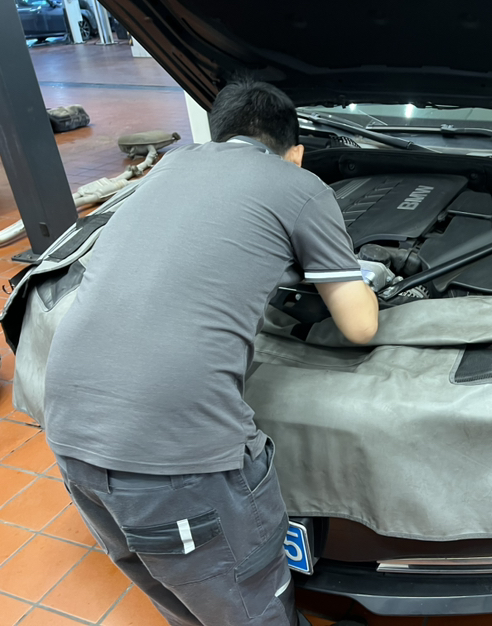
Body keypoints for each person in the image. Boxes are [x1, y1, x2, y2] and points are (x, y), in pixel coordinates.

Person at [42, 79, 378, 626]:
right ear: (295, 153)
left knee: (186, 600)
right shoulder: (300, 185)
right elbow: (361, 325)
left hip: (71, 435)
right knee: (248, 604)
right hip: (174, 461)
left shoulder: (168, 167)